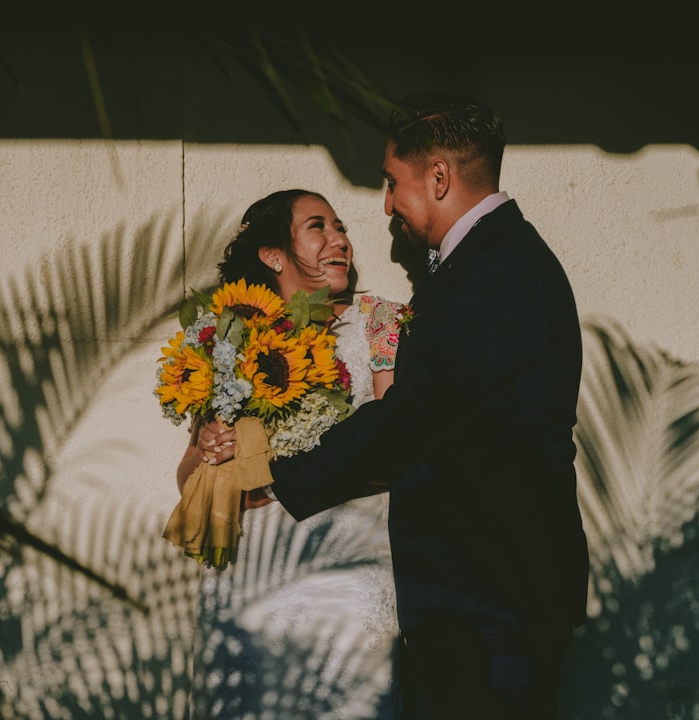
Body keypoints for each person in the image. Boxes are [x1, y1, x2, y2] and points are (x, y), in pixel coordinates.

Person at [249, 93, 590, 718]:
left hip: (495, 593)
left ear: (438, 178)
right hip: (478, 593)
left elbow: (416, 413)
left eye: (390, 183)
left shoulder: (498, 267)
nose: (384, 205)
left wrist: (284, 478)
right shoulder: (481, 262)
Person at [175, 188, 405, 719]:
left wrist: (281, 476)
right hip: (252, 569)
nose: (339, 239)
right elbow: (187, 479)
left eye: (340, 227)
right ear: (273, 254)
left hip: (350, 564)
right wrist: (210, 448)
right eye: (317, 227)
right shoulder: (228, 339)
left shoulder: (380, 321)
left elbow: (397, 441)